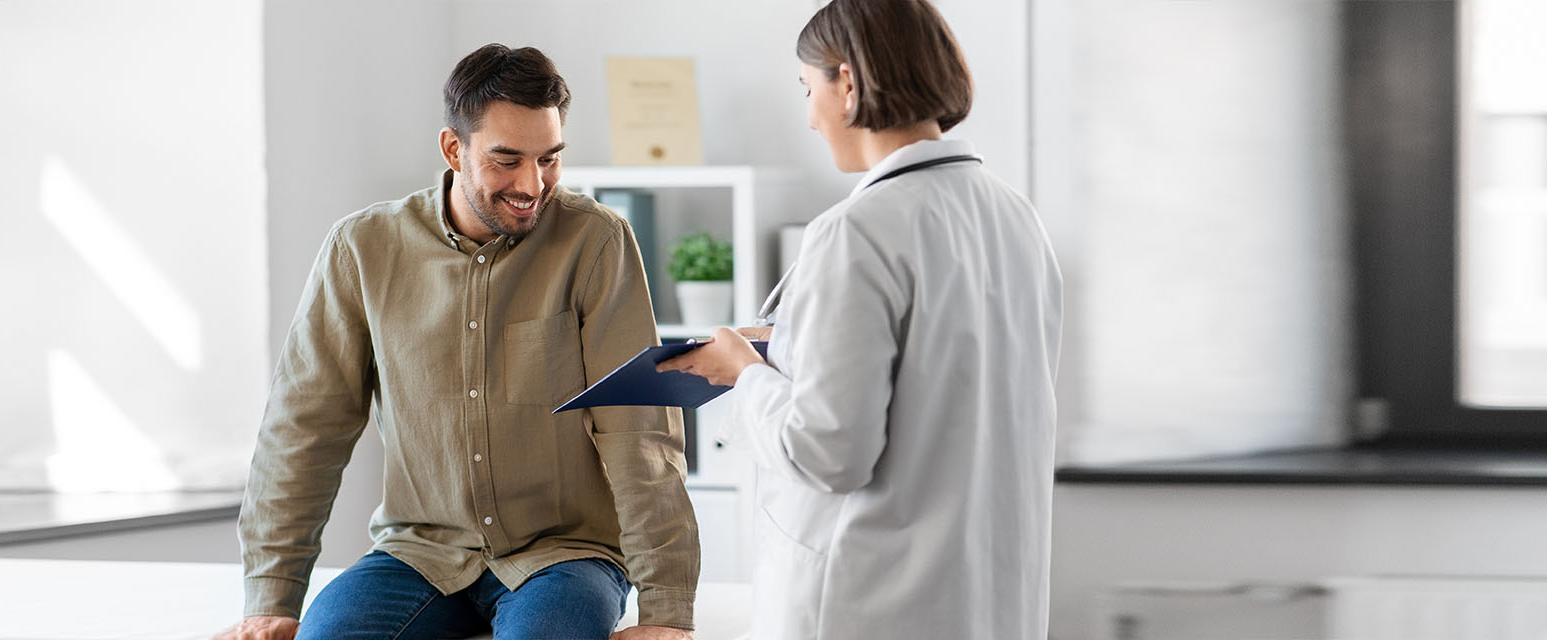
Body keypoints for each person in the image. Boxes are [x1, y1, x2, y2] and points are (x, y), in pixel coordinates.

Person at [216, 44, 698, 640]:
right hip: (419, 554)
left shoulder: (595, 242)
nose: (533, 184)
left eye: (549, 159)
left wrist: (668, 611)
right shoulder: (361, 248)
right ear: (453, 149)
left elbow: (640, 428)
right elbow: (303, 427)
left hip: (564, 557)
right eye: (507, 160)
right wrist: (272, 596)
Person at [656, 1, 1063, 638]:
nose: (810, 117)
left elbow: (828, 452)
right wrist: (788, 348)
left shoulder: (857, 232)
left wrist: (742, 372)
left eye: (807, 88)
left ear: (847, 82)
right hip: (988, 601)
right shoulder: (1016, 217)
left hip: (873, 603)